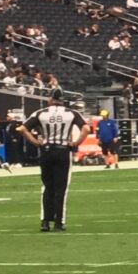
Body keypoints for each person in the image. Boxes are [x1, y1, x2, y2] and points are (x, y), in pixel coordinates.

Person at [29, 94, 84, 232]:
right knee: (61, 188)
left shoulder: (41, 113)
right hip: (63, 150)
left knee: (47, 187)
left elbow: (22, 128)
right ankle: (59, 222)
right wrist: (76, 143)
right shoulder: (71, 113)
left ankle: (45, 221)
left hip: (46, 151)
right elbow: (86, 128)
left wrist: (36, 142)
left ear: (51, 99)